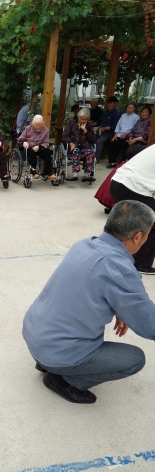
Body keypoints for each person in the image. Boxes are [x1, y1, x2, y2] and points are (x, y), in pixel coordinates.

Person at [23, 200, 155, 404]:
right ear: (138, 236)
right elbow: (150, 324)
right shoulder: (118, 269)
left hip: (34, 333)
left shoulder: (85, 244)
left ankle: (48, 362)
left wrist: (123, 307)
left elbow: (95, 283)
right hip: (57, 351)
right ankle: (64, 380)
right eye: (148, 235)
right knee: (135, 359)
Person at [110, 144, 155, 275]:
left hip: (119, 182)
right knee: (150, 224)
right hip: (133, 186)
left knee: (127, 224)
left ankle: (116, 255)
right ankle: (141, 264)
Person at [62, 107, 96, 181]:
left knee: (91, 152)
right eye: (81, 119)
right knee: (76, 151)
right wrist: (70, 143)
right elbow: (64, 136)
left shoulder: (89, 126)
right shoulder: (71, 123)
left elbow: (93, 139)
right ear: (78, 117)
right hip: (73, 146)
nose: (83, 121)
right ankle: (75, 174)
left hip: (85, 147)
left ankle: (86, 174)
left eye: (85, 119)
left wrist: (85, 131)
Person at [18, 115, 55, 180]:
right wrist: (24, 142)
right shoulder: (28, 128)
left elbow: (46, 143)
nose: (38, 126)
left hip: (40, 148)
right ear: (33, 123)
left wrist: (39, 146)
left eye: (40, 124)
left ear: (42, 124)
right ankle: (34, 171)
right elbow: (20, 139)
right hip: (29, 148)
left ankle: (49, 173)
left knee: (47, 151)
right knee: (31, 152)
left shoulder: (46, 130)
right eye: (36, 124)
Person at [106, 101, 139, 168]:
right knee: (112, 144)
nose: (130, 109)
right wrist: (115, 134)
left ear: (134, 109)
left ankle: (123, 163)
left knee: (125, 146)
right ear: (126, 108)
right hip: (119, 134)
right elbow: (118, 125)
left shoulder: (136, 117)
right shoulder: (123, 115)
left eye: (132, 108)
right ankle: (112, 162)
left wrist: (127, 133)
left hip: (129, 135)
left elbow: (135, 128)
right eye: (128, 108)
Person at [94, 95, 120, 163]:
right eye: (108, 103)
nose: (109, 105)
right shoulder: (105, 113)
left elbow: (115, 127)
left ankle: (97, 158)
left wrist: (106, 128)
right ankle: (90, 156)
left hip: (109, 133)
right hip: (100, 131)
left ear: (115, 104)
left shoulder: (116, 114)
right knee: (91, 138)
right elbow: (99, 122)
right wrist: (92, 124)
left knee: (99, 142)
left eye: (110, 103)